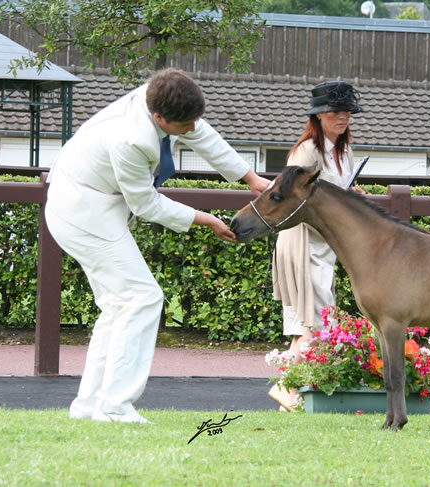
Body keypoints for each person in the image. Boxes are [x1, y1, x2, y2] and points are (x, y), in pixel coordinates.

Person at [45, 68, 270, 423]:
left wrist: (250, 177)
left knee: (119, 305)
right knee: (142, 297)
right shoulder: (131, 139)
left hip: (92, 206)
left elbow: (201, 132)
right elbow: (145, 204)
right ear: (158, 117)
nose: (192, 130)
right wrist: (206, 218)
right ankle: (116, 407)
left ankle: (90, 406)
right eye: (184, 125)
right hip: (81, 212)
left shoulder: (159, 95)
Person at [268, 80, 364, 411]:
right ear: (320, 116)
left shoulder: (344, 151)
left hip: (326, 245)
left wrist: (351, 201)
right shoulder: (306, 152)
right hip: (302, 242)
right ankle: (286, 388)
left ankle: (290, 399)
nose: (343, 117)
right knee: (319, 323)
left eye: (347, 111)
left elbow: (333, 197)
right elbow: (288, 199)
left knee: (310, 324)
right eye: (336, 111)